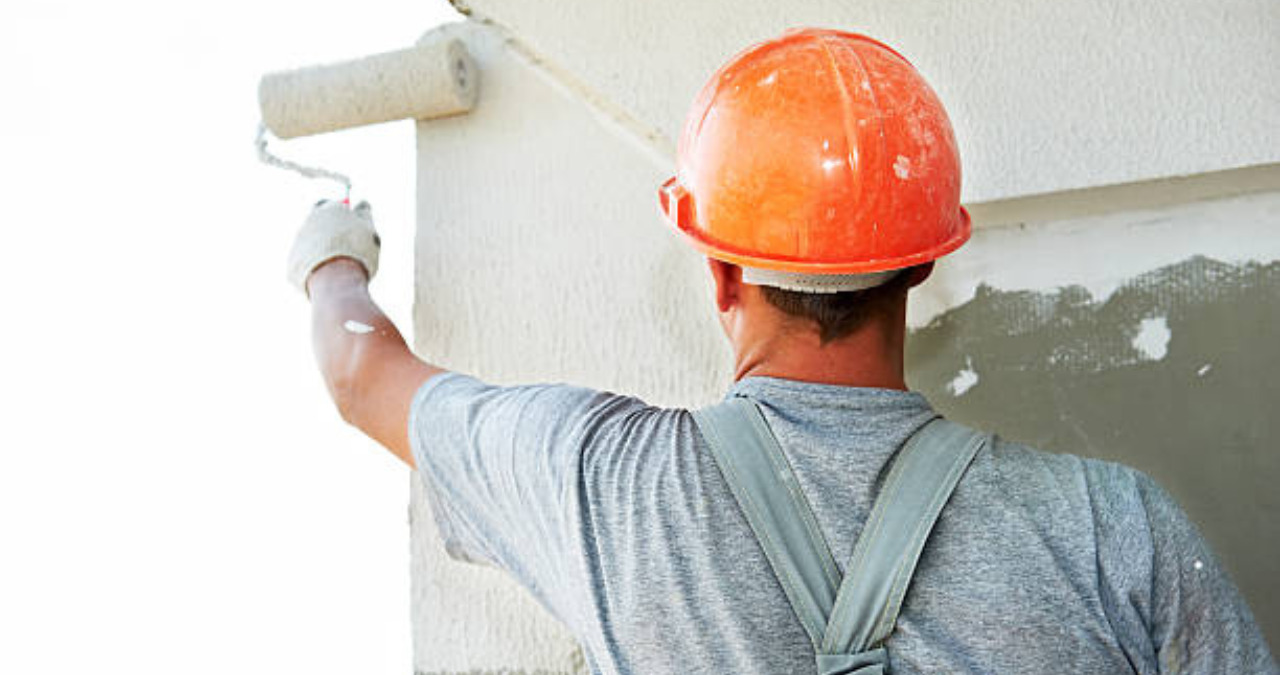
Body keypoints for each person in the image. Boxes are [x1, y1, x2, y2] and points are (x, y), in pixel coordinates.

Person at [286, 29, 1276, 674]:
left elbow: (358, 371)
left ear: (721, 275)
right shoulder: (1116, 529)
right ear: (920, 267)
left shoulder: (602, 487)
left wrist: (332, 254)